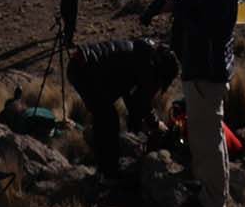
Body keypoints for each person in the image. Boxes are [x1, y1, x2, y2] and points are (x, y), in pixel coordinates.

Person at [169, 0, 245, 207]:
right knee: (209, 136)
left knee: (207, 139)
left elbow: (210, 31)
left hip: (205, 72)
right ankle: (212, 190)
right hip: (206, 70)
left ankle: (213, 202)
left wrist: (179, 10)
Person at [66, 38, 180, 178]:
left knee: (105, 115)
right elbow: (141, 102)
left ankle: (104, 164)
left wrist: (140, 123)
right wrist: (156, 124)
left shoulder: (142, 53)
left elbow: (131, 97)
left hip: (82, 64)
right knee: (108, 119)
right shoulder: (149, 67)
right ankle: (108, 173)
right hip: (85, 70)